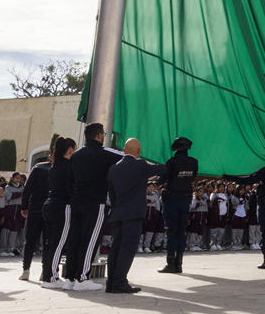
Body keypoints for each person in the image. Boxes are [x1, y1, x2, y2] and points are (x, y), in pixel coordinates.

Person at [64, 122, 123, 291]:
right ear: (98, 135)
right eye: (103, 134)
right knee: (90, 240)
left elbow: (70, 180)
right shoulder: (103, 152)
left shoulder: (76, 155)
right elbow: (126, 157)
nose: (103, 137)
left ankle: (70, 278)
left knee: (74, 240)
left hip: (76, 202)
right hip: (94, 203)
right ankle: (83, 278)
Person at [105, 138, 168, 294]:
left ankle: (111, 282)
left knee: (115, 248)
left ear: (124, 150)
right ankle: (120, 282)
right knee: (127, 249)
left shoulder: (113, 169)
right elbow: (162, 170)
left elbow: (112, 196)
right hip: (133, 215)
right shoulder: (140, 165)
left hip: (117, 213)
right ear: (139, 152)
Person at [158, 137, 197, 274]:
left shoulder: (171, 162)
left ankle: (170, 264)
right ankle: (179, 264)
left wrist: (158, 184)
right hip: (185, 200)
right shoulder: (193, 162)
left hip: (172, 199)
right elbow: (191, 178)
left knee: (171, 232)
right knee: (181, 231)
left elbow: (162, 178)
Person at [40, 138, 76, 288]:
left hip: (49, 205)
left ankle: (47, 275)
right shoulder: (70, 166)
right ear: (70, 150)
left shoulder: (54, 165)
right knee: (58, 243)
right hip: (62, 206)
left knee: (50, 243)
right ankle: (51, 278)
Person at [19, 153, 51, 281]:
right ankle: (41, 270)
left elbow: (27, 189)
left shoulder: (38, 168)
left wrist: (24, 205)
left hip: (37, 207)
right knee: (46, 241)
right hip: (46, 208)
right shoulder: (60, 169)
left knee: (31, 240)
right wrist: (24, 205)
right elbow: (28, 189)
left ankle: (28, 270)